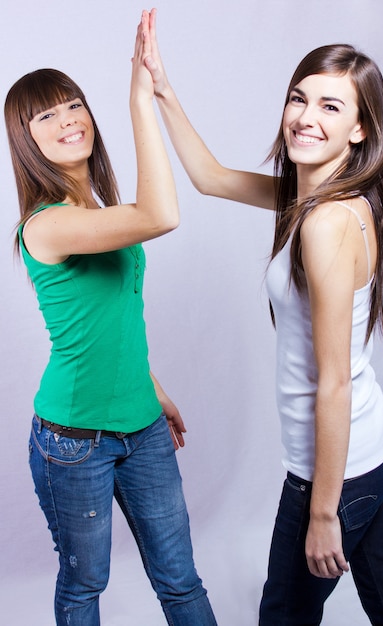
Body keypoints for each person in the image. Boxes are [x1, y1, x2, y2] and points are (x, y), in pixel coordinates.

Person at [141, 9, 383, 625]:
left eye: (331, 107)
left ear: (358, 131)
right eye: (300, 98)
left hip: (337, 471)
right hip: (376, 446)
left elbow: (335, 381)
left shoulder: (325, 223)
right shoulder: (320, 197)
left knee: (284, 615)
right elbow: (210, 178)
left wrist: (322, 514)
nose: (306, 118)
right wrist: (162, 88)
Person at [4, 11, 217, 626]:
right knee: (83, 586)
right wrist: (140, 98)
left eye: (73, 105)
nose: (68, 120)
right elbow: (161, 213)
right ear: (27, 141)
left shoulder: (95, 210)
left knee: (181, 581)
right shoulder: (46, 226)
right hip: (74, 441)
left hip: (144, 428)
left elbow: (112, 319)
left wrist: (152, 388)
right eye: (46, 115)